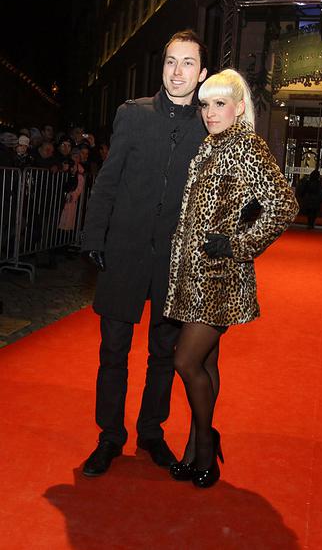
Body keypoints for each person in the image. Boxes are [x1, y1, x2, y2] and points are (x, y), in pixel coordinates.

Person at [80, 30, 208, 477]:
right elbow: (109, 179)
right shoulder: (133, 114)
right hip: (125, 250)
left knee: (164, 354)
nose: (177, 72)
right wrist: (94, 237)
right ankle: (109, 436)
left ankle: (151, 432)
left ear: (202, 73)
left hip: (174, 259)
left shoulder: (208, 124)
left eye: (188, 63)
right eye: (171, 61)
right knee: (113, 350)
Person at [164, 69, 298, 488]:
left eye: (219, 103)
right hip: (193, 273)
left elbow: (284, 205)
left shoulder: (245, 145)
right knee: (205, 362)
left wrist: (240, 243)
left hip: (219, 277)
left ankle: (206, 444)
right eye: (205, 104)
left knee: (185, 361)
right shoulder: (210, 145)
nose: (209, 112)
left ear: (239, 107)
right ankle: (195, 446)